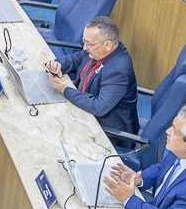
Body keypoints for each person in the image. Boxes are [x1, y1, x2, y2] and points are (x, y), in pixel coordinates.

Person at [43, 16, 138, 144]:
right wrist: (58, 64)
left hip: (106, 131)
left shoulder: (118, 71)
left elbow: (98, 107)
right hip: (84, 110)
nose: (84, 47)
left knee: (49, 134)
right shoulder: (98, 50)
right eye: (84, 41)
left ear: (108, 45)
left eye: (89, 44)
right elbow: (75, 59)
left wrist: (65, 90)